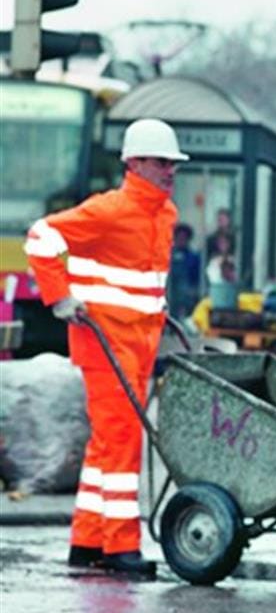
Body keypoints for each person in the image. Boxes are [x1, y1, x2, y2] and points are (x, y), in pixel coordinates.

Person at [24, 118, 189, 578]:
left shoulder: (165, 215)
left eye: (172, 163)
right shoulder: (110, 210)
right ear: (134, 163)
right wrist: (59, 297)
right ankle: (120, 547)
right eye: (161, 162)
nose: (169, 171)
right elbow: (41, 237)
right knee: (120, 440)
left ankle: (87, 540)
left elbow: (142, 281)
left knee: (105, 444)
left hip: (138, 342)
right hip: (106, 342)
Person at [168, 223, 201, 318]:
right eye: (179, 237)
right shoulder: (168, 255)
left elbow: (197, 278)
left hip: (187, 296)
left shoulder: (193, 258)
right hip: (170, 294)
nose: (181, 240)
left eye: (184, 237)